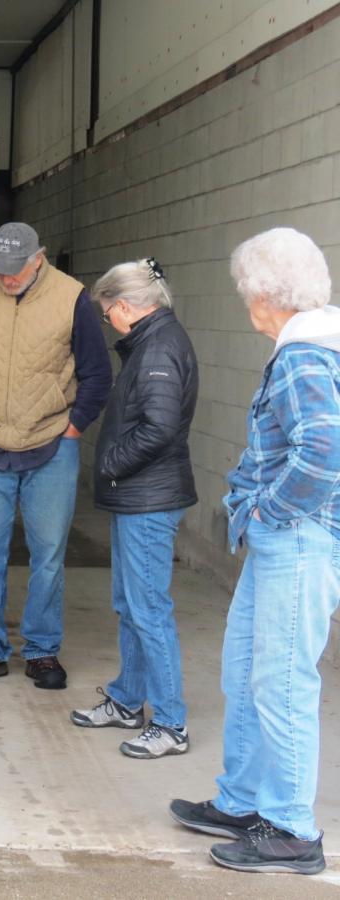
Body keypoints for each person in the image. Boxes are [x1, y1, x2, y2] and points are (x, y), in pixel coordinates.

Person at [170, 228, 339, 876]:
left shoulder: (303, 356)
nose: (245, 302)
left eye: (246, 290)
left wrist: (269, 510)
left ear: (265, 294)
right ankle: (242, 802)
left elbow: (323, 452)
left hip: (297, 540)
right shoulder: (312, 345)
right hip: (285, 541)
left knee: (282, 682)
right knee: (244, 670)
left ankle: (292, 830)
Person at [0, 222, 111, 690]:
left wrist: (73, 429)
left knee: (49, 556)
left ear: (39, 259)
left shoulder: (71, 297)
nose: (6, 278)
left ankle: (41, 650)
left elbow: (98, 373)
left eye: (15, 269)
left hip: (52, 443)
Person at [70, 258, 198, 759]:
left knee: (149, 611)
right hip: (139, 497)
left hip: (148, 499)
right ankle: (127, 700)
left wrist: (110, 464)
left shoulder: (159, 347)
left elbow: (159, 428)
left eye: (108, 314)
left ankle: (170, 723)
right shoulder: (151, 342)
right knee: (130, 605)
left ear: (124, 306)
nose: (109, 322)